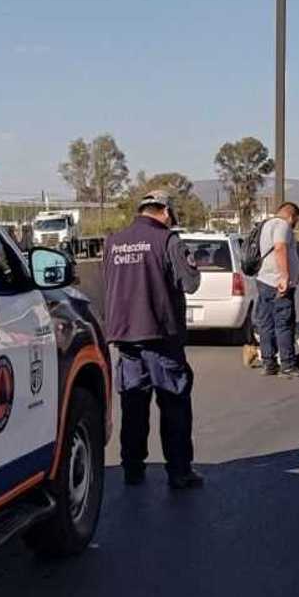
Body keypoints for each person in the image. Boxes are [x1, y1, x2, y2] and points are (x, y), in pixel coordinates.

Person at [103, 191, 204, 489]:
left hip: (125, 337)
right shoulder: (168, 240)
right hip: (161, 336)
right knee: (174, 405)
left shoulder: (113, 241)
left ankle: (132, 468)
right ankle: (179, 471)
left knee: (134, 405)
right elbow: (191, 283)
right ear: (166, 211)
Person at [254, 201, 299, 377]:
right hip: (277, 282)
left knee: (266, 322)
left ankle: (268, 363)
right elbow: (280, 247)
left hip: (263, 279)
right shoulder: (282, 225)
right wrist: (284, 276)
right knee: (284, 322)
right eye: (296, 219)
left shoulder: (265, 225)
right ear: (292, 216)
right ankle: (288, 364)